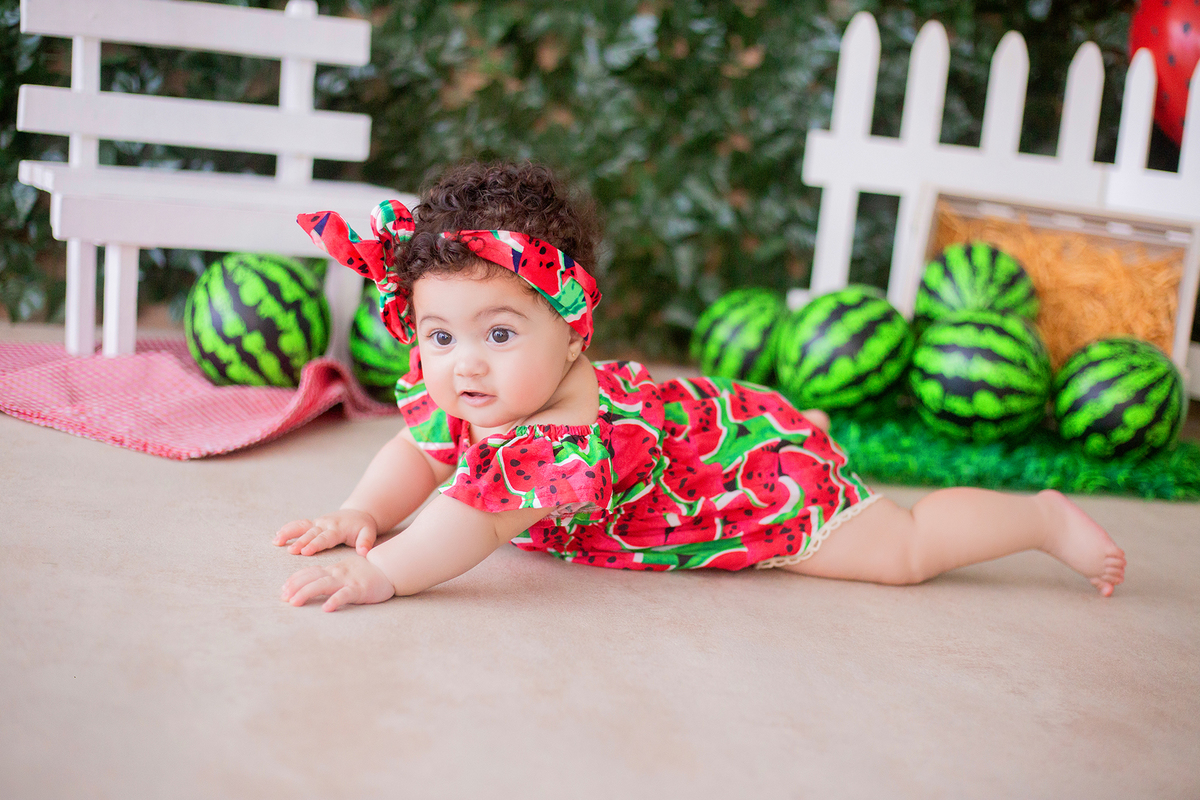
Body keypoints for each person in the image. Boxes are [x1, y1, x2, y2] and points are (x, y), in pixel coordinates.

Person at [275, 161, 1126, 612]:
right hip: (687, 428)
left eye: (499, 333)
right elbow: (417, 449)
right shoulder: (480, 390)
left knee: (901, 552)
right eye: (439, 335)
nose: (463, 363)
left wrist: (381, 571)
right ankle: (801, 418)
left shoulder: (554, 441)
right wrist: (365, 511)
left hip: (742, 485)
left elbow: (466, 525)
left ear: (575, 332)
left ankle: (1037, 516)